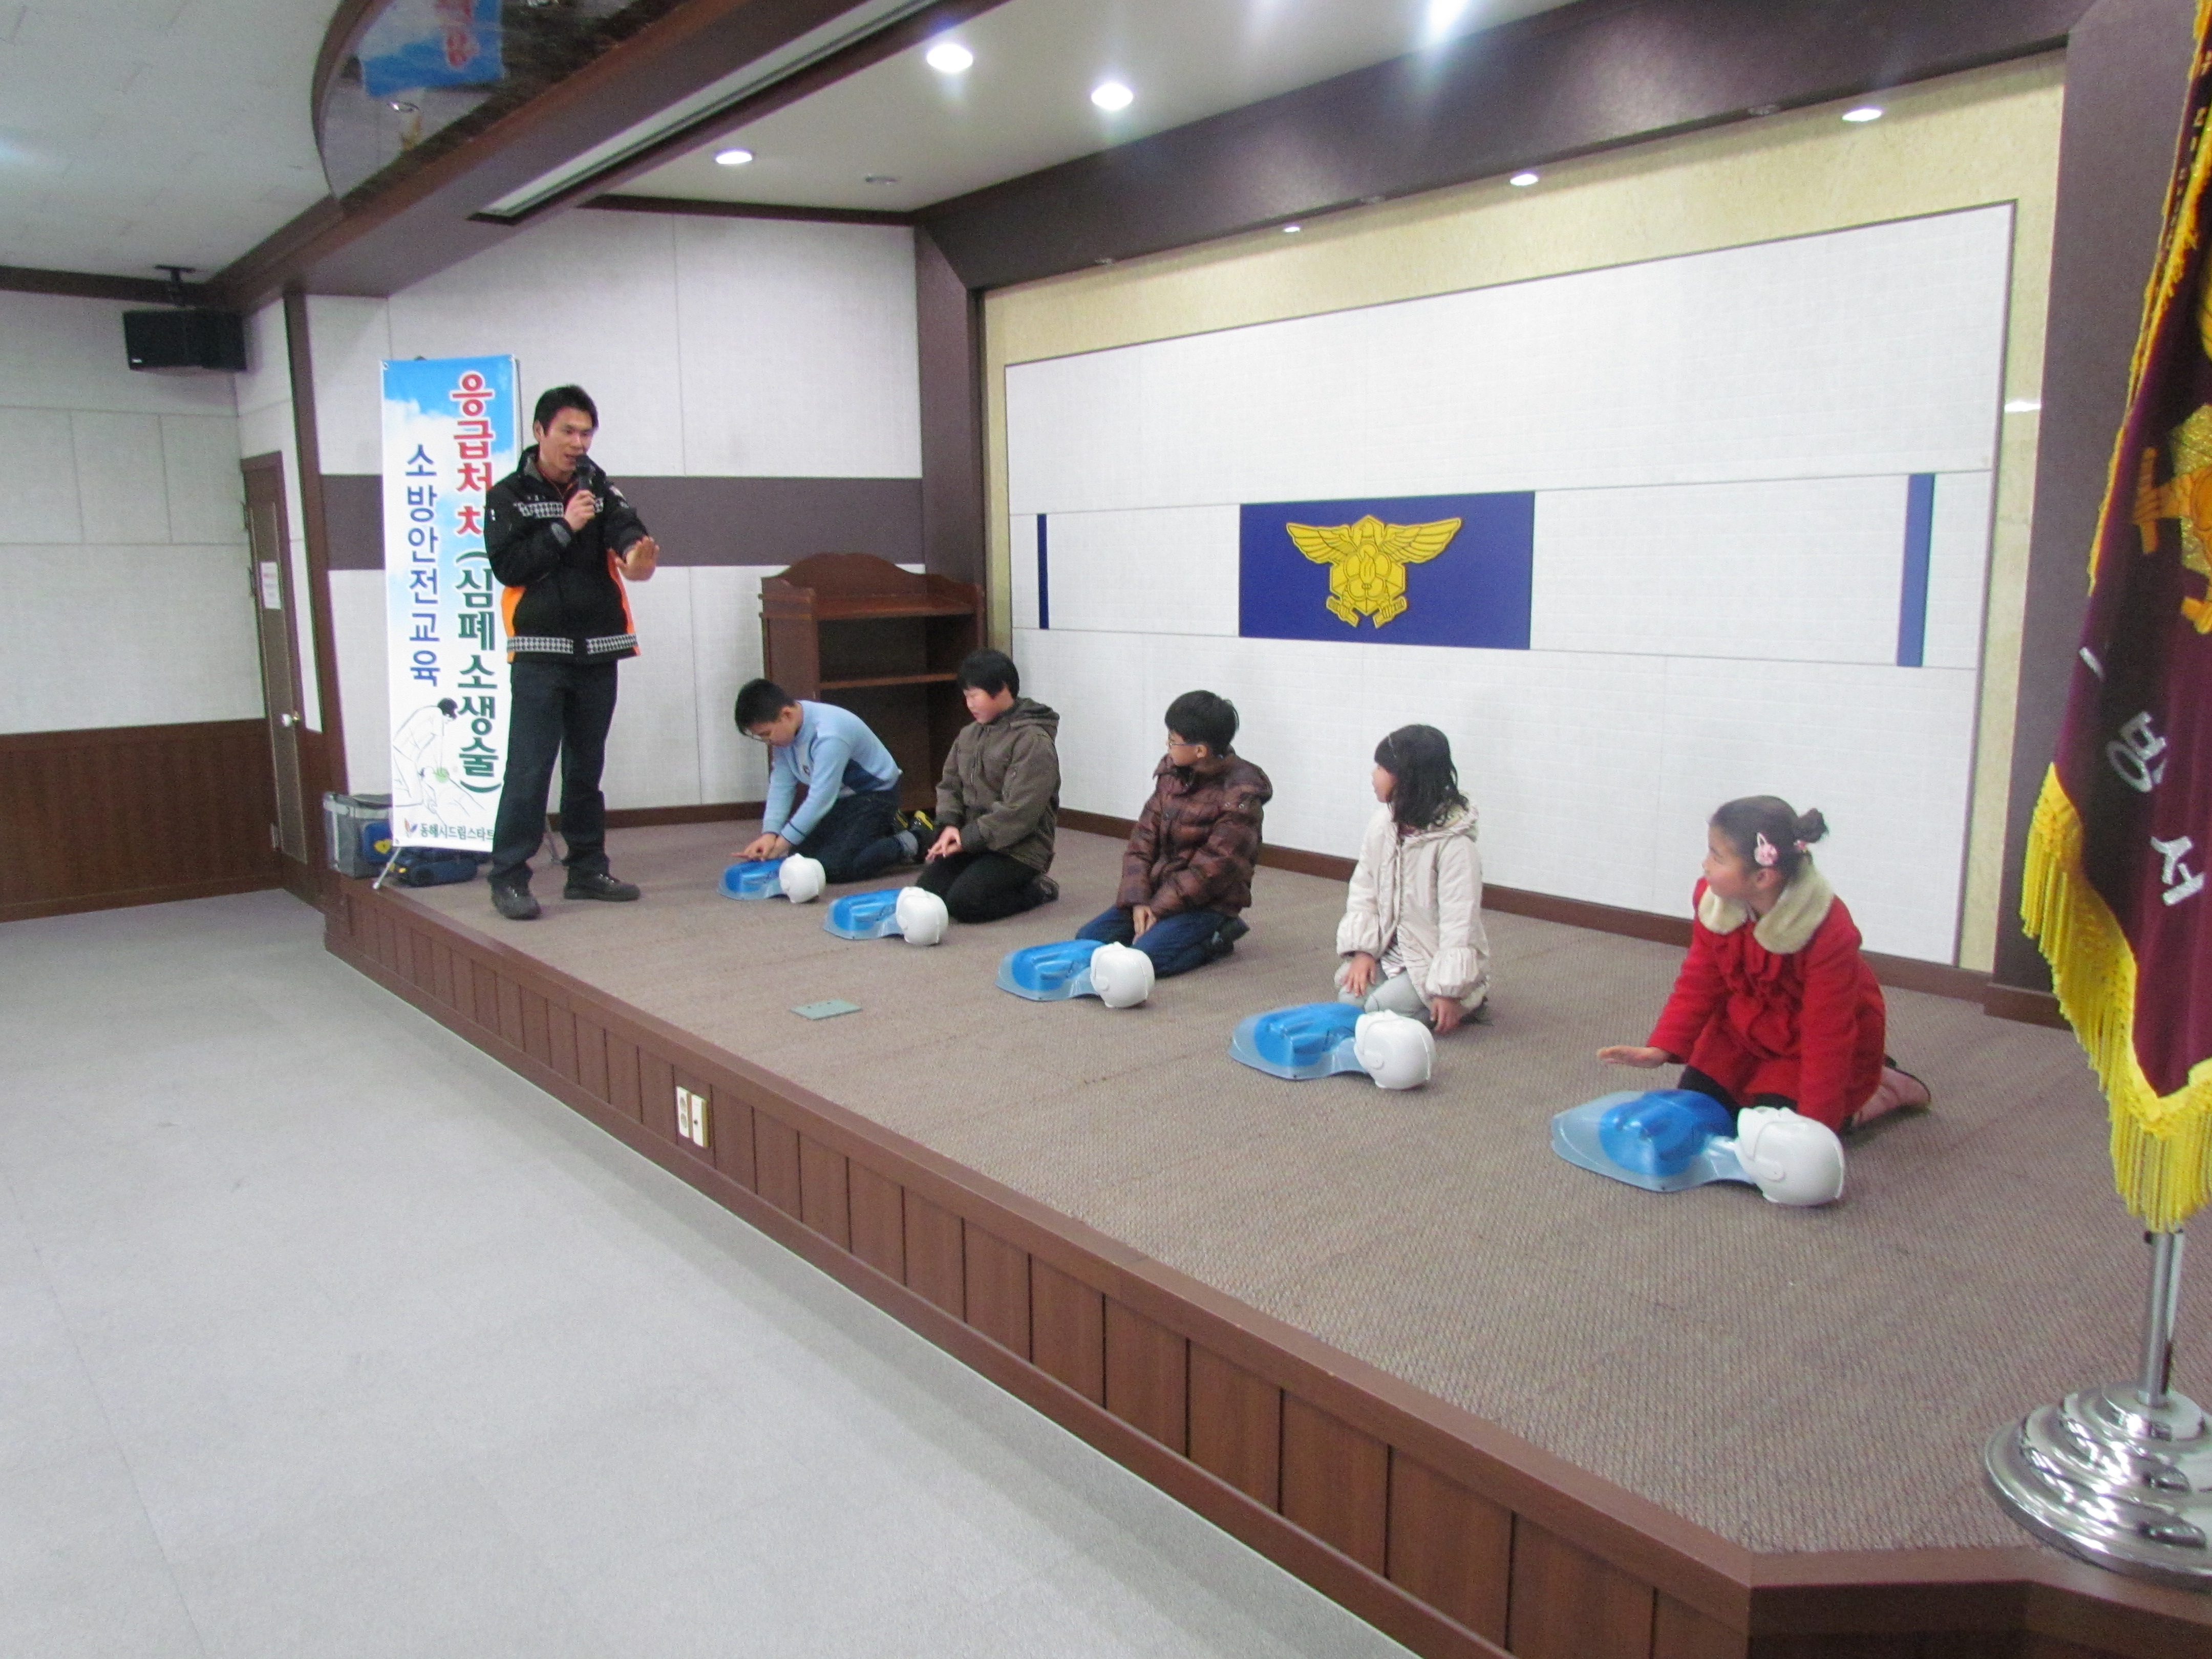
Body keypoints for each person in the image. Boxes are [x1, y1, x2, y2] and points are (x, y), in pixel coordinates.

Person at [1597, 796, 1931, 1133]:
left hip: (1806, 1043)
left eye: (1717, 857)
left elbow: (1827, 1034)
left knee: (1775, 1133)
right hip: (1743, 1030)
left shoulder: (1829, 931)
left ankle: (1882, 1088)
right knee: (1697, 1113)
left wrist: (1817, 1128)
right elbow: (1700, 979)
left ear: (1762, 877)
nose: (1704, 864)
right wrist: (1661, 1047)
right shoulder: (1714, 900)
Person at [485, 385, 658, 921]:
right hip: (540, 655)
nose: (578, 443)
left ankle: (587, 870)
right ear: (540, 432)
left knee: (586, 770)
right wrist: (566, 526)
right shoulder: (508, 495)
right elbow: (510, 567)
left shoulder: (598, 487)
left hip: (598, 651)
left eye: (586, 433)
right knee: (530, 769)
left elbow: (627, 532)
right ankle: (510, 877)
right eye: (568, 431)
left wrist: (637, 555)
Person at [1075, 690, 1271, 977]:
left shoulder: (1240, 796)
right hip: (1159, 892)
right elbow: (1142, 840)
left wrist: (1157, 909)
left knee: (1143, 961)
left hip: (1209, 902)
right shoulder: (1172, 774)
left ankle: (1220, 936)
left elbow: (1212, 870)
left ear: (1200, 751)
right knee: (1088, 942)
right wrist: (1139, 901)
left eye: (1173, 740)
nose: (1167, 745)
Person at [1335, 725, 1490, 1034]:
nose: (1373, 775)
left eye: (1381, 768)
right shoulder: (1382, 826)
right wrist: (1364, 952)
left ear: (1407, 779)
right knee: (1348, 1003)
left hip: (1431, 961)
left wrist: (1449, 990)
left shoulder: (1455, 846)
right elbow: (1364, 891)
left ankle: (1467, 999)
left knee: (1377, 1014)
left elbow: (1460, 924)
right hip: (1391, 951)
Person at [916, 650, 1062, 922]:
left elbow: (1020, 812)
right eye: (966, 696)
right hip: (975, 840)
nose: (969, 704)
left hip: (1020, 849)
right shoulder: (969, 734)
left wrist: (966, 839)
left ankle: (1037, 890)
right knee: (926, 895)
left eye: (975, 695)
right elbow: (949, 785)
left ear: (1002, 689)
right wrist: (949, 825)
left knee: (966, 904)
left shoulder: (1033, 741)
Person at [734, 680, 923, 884]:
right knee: (801, 858)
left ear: (786, 715)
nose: (767, 742)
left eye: (766, 735)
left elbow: (820, 799)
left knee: (834, 868)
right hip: (840, 800)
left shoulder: (829, 734)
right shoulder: (786, 734)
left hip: (874, 796)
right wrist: (770, 834)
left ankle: (915, 840)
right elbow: (781, 785)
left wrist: (781, 844)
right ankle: (887, 827)